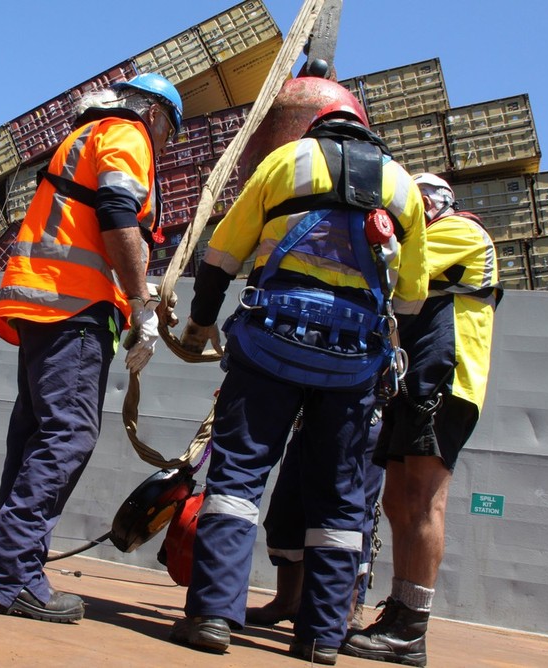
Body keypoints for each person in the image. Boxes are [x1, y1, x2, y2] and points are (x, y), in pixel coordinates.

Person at [169, 75, 427, 663]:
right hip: (353, 363)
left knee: (236, 481)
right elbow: (410, 300)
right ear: (365, 128)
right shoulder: (402, 186)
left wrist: (199, 325)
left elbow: (221, 256)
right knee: (339, 500)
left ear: (315, 126)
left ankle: (212, 616)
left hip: (269, 347)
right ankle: (321, 637)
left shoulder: (287, 161)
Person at [0, 72, 183, 624]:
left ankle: (13, 569)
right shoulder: (128, 135)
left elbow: (93, 221)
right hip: (75, 309)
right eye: (170, 135)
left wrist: (143, 293)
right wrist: (140, 302)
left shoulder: (85, 136)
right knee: (68, 435)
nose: (163, 146)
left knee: (35, 437)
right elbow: (116, 213)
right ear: (157, 116)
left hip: (44, 304)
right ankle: (11, 574)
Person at [341, 173, 500, 667]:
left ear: (437, 202)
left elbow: (406, 272)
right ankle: (399, 613)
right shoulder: (434, 232)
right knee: (397, 499)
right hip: (416, 382)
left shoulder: (462, 232)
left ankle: (412, 628)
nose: (411, 208)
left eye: (416, 201)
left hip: (447, 379)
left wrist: (383, 236)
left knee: (425, 499)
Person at [246, 412, 385, 632]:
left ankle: (346, 611)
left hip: (364, 421)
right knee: (287, 506)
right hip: (313, 417)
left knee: (351, 518)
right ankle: (288, 601)